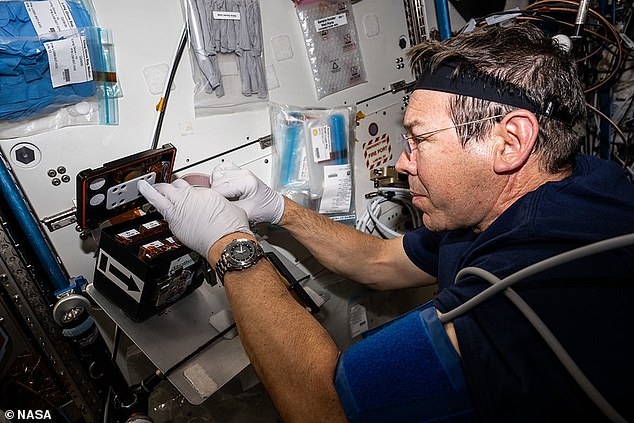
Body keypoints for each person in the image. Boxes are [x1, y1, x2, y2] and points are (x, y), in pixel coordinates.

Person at [138, 22, 634, 422]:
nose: (402, 161)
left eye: (419, 138)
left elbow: (322, 407)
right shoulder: (573, 182)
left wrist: (231, 247)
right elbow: (380, 260)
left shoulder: (526, 286)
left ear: (509, 142)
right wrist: (277, 211)